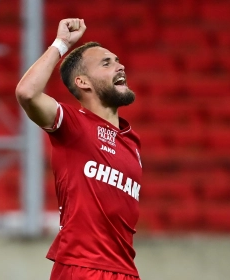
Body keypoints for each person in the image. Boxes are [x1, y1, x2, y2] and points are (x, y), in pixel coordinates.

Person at [15, 18, 142, 280]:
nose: (120, 66)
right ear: (83, 82)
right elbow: (27, 93)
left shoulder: (132, 141)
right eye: (107, 63)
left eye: (118, 60)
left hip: (126, 272)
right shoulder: (73, 125)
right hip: (82, 269)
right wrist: (61, 44)